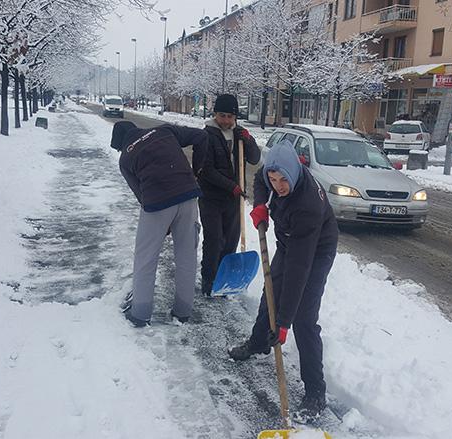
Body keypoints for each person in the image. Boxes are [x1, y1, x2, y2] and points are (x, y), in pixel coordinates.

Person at [228, 140, 338, 423]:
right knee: (271, 292)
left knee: (303, 319)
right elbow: (261, 178)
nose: (278, 185)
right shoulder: (275, 173)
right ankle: (258, 341)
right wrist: (261, 205)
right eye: (274, 180)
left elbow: (299, 271)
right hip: (289, 242)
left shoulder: (307, 206)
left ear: (293, 173)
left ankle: (315, 392)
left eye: (282, 180)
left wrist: (284, 322)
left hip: (315, 251)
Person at [110, 121, 208, 327]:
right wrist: (196, 171)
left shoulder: (125, 158)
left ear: (120, 143)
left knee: (146, 257)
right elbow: (202, 137)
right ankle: (183, 311)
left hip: (156, 202)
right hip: (189, 195)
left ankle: (140, 313)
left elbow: (141, 195)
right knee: (186, 256)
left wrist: (161, 224)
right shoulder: (164, 130)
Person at [198, 94, 261, 296]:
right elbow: (205, 170)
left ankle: (225, 282)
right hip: (211, 198)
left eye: (230, 116)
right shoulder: (206, 136)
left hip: (233, 199)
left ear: (235, 117)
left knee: (230, 240)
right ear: (215, 114)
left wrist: (249, 141)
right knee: (214, 240)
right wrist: (231, 186)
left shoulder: (239, 135)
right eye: (222, 115)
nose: (226, 120)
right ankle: (209, 280)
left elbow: (254, 159)